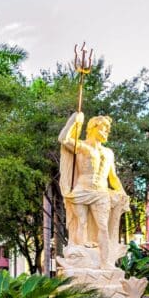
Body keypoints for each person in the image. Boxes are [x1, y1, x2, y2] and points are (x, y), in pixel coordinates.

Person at [59, 111, 129, 269]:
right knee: (81, 224)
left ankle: (105, 263)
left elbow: (113, 177)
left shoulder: (108, 153)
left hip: (101, 192)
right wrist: (73, 120)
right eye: (104, 128)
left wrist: (122, 193)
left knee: (103, 227)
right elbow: (63, 139)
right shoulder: (82, 147)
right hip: (82, 190)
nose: (106, 132)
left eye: (108, 130)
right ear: (93, 128)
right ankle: (82, 264)